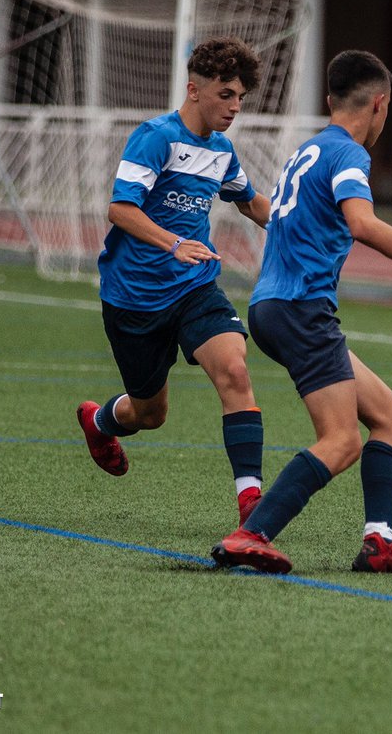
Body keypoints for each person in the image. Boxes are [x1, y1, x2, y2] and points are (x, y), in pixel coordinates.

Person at [211, 50, 392, 575]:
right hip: (302, 308)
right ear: (380, 105)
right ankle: (251, 534)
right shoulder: (349, 155)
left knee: (390, 418)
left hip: (275, 306)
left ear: (330, 101)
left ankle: (379, 543)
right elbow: (364, 224)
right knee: (342, 439)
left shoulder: (307, 151)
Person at [76, 37, 273, 527]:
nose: (234, 107)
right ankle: (100, 422)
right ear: (194, 90)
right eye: (226, 94)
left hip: (194, 287)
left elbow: (249, 202)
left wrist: (299, 227)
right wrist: (171, 242)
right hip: (133, 296)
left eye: (241, 98)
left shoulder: (222, 150)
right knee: (150, 414)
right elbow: (119, 209)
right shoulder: (154, 137)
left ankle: (252, 506)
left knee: (234, 369)